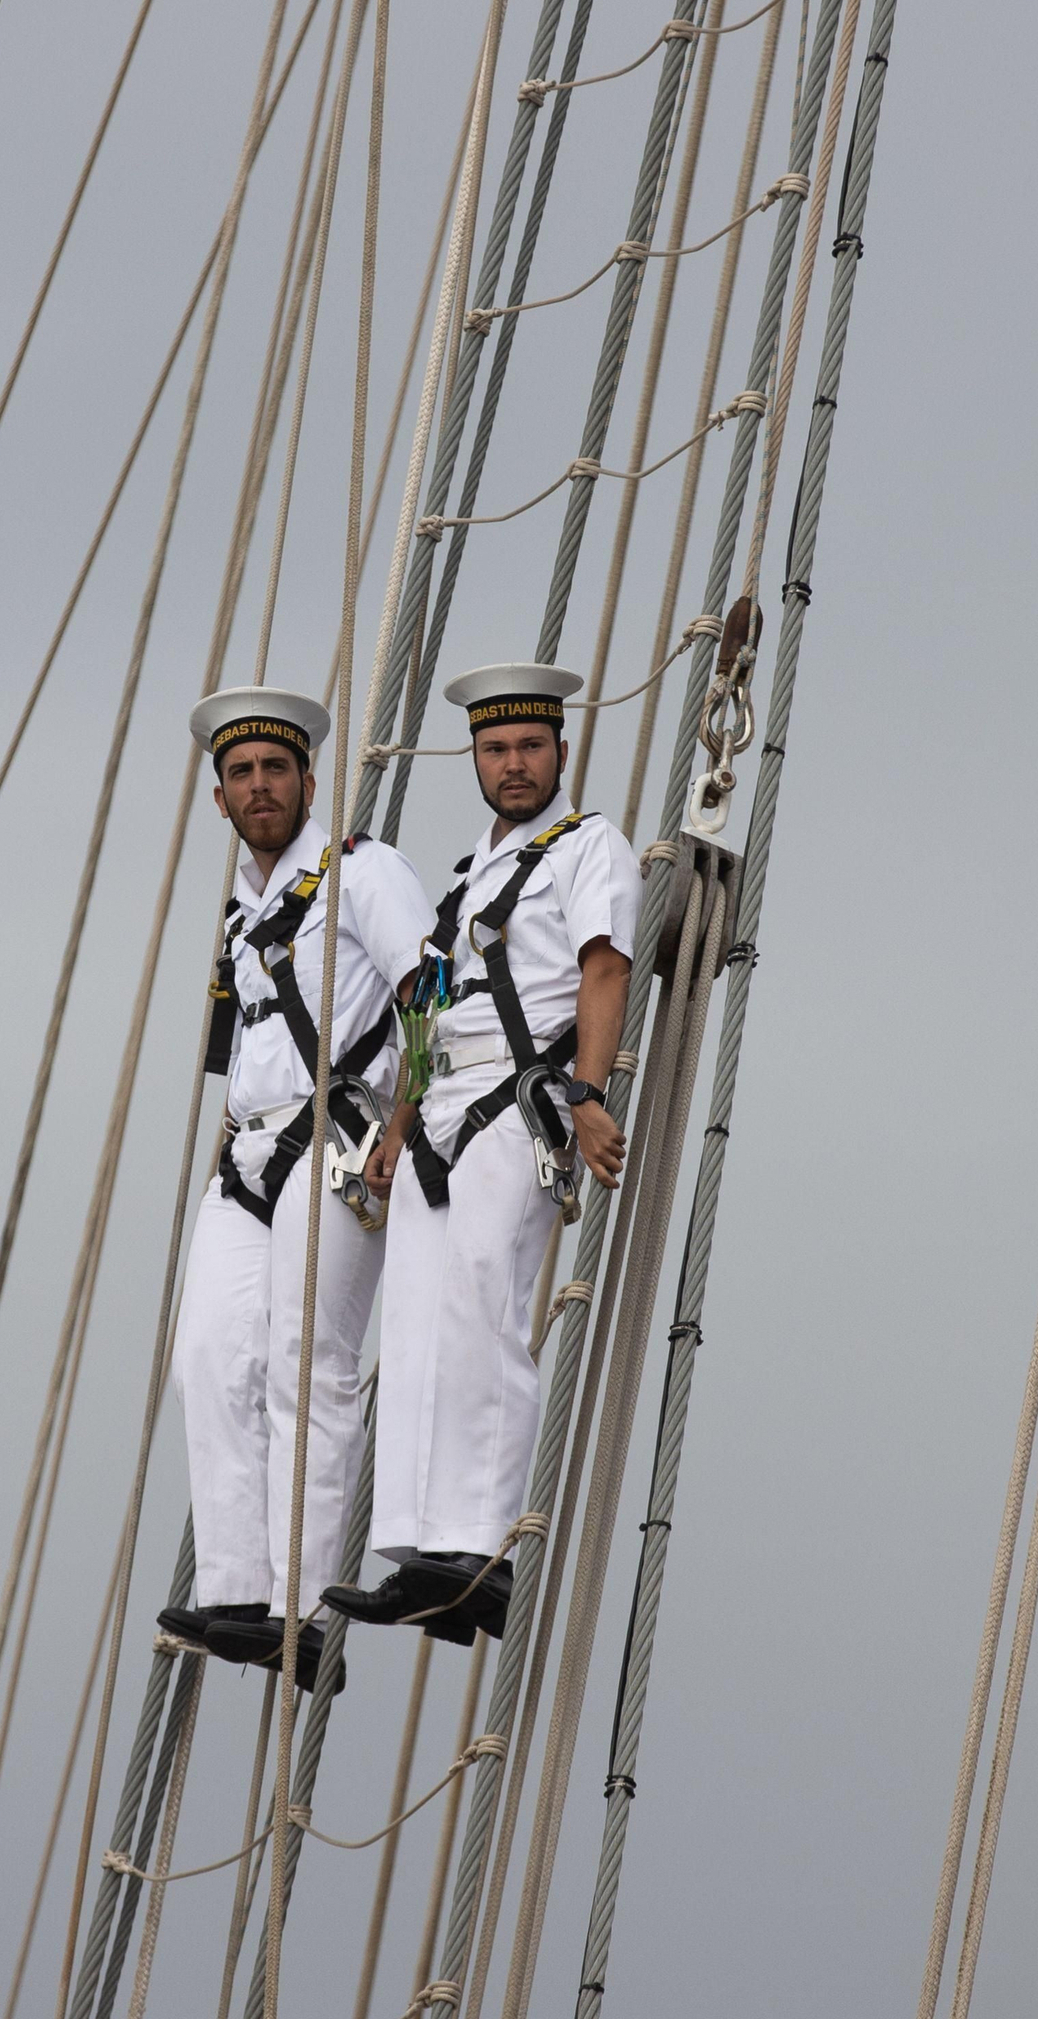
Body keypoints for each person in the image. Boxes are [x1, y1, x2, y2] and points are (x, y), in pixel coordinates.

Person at [324, 663, 641, 1645]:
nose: (512, 765)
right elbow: (429, 1008)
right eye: (496, 750)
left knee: (486, 1316)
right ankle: (425, 1553)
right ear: (475, 758)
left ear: (559, 752)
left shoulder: (589, 848)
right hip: (440, 1123)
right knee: (418, 1329)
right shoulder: (472, 875)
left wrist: (588, 1095)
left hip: (520, 1107)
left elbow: (603, 967)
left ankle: (481, 1551)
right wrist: (401, 1119)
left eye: (529, 748)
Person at [163, 686, 433, 1692]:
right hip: (246, 1156)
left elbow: (433, 995)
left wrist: (402, 1128)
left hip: (341, 1142)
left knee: (304, 1364)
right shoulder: (244, 910)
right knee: (207, 1358)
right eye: (241, 773)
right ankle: (238, 1587)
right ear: (220, 795)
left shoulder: (363, 872)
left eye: (275, 769)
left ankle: (304, 1609)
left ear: (308, 780)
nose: (260, 786)